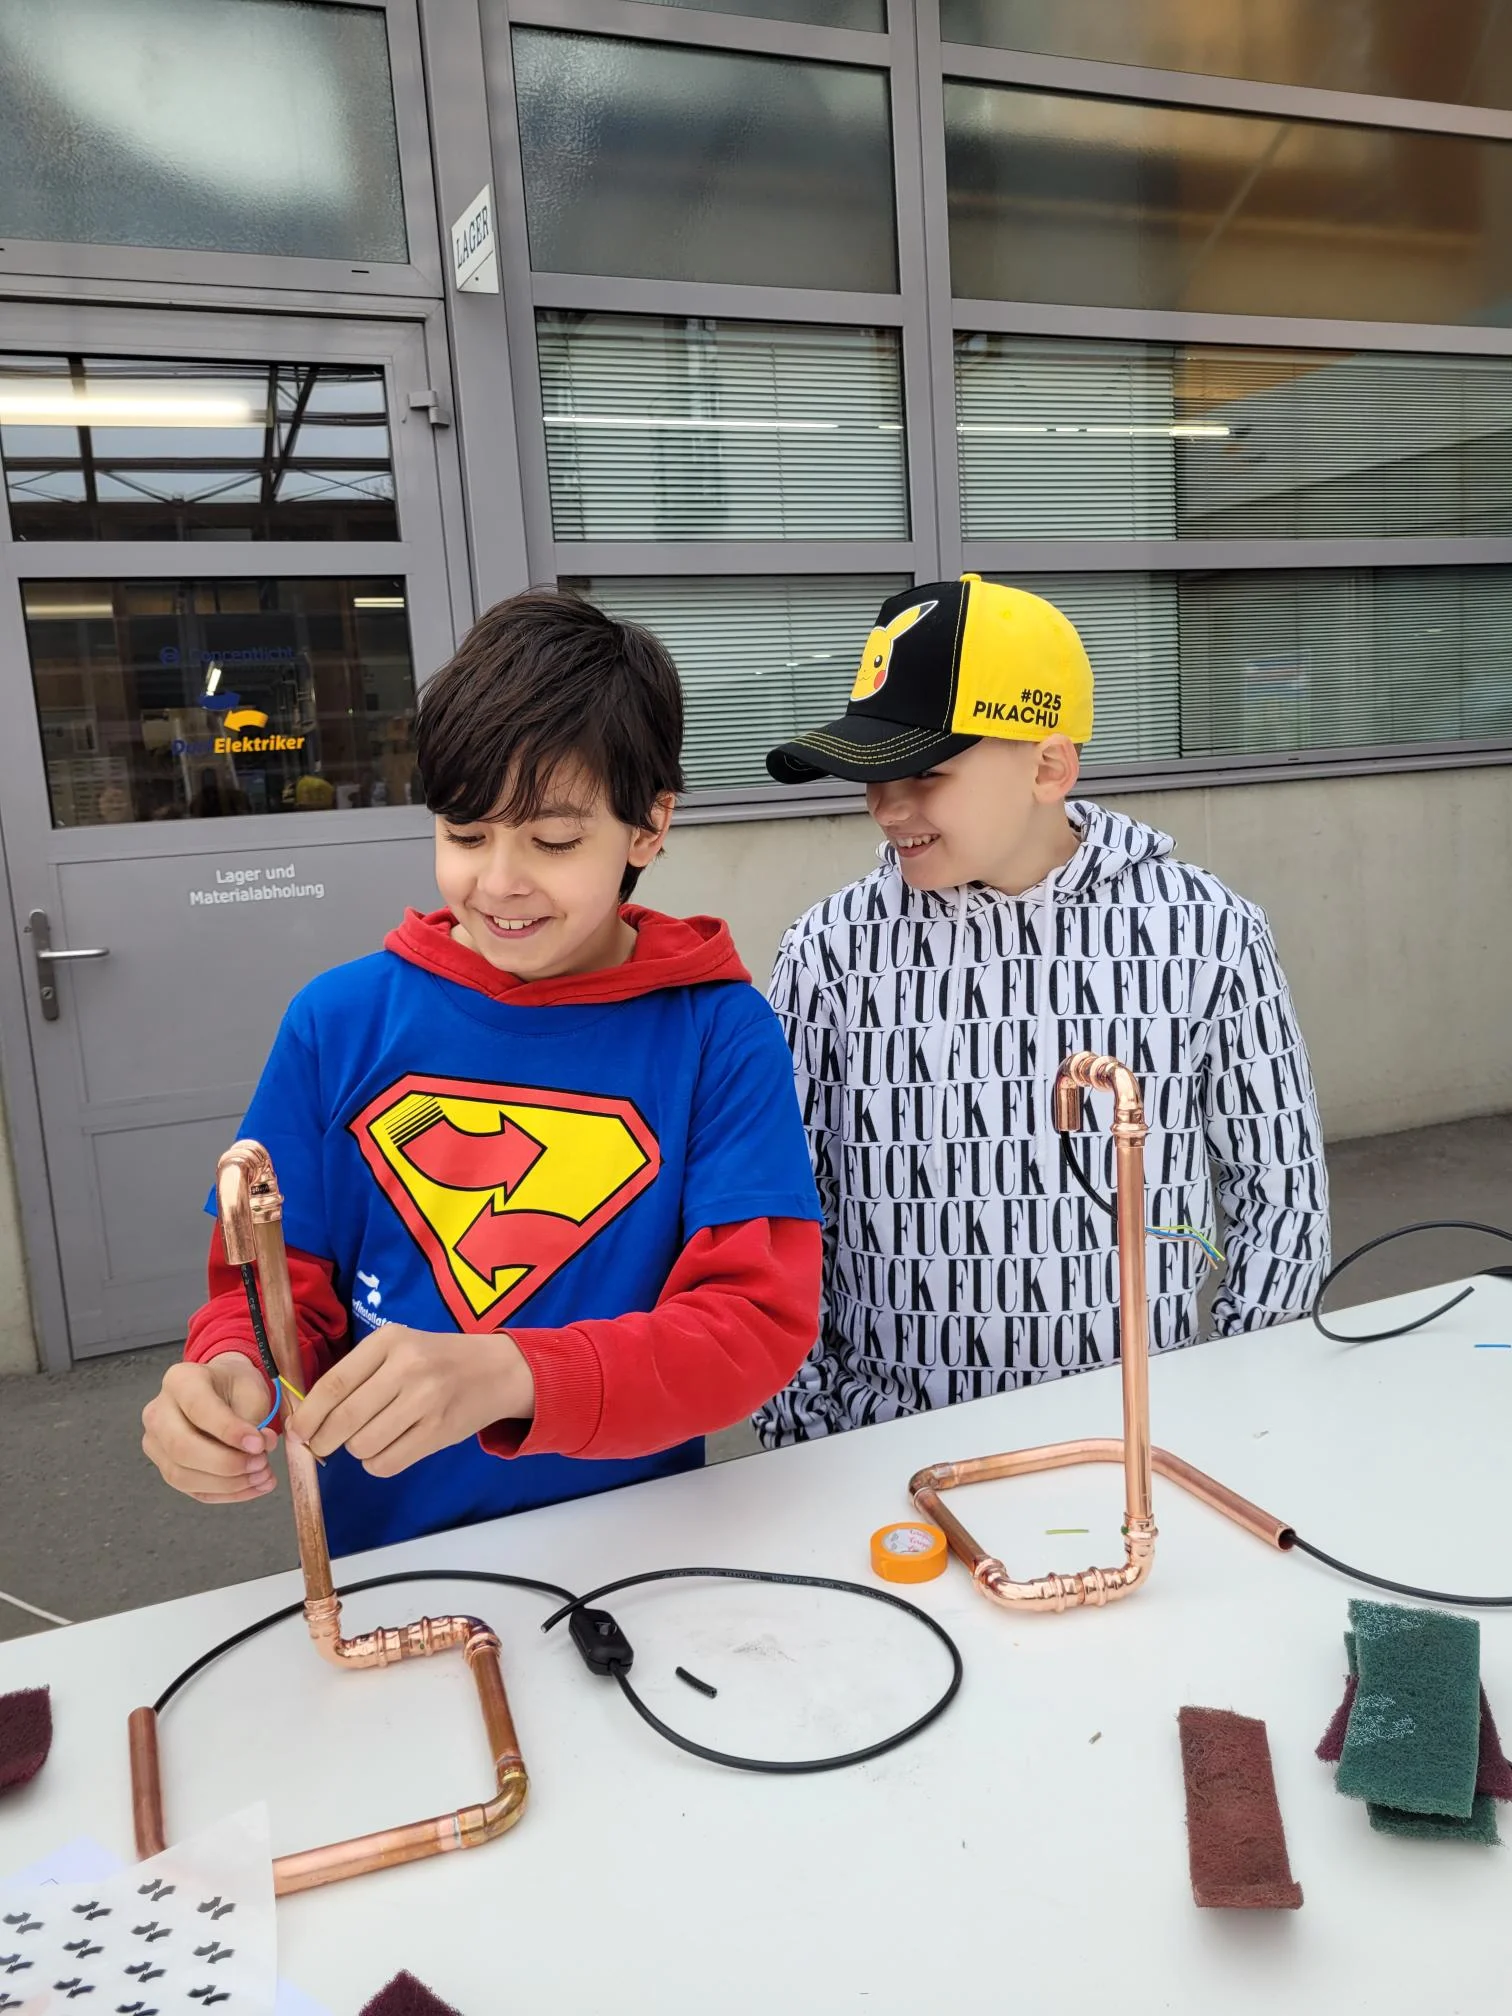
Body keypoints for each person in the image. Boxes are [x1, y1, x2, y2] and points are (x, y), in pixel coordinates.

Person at [142, 590, 823, 1552]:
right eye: (464, 833)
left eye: (553, 841)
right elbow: (273, 1286)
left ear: (648, 826)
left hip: (641, 1544)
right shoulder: (339, 1022)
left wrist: (513, 1375)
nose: (499, 881)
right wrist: (234, 1374)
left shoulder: (717, 1031)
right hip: (392, 1554)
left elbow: (751, 1323)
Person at [755, 574, 1329, 1447]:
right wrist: (808, 1441)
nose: (886, 806)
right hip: (889, 1451)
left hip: (1141, 1439)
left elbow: (1280, 1190)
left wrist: (1242, 1405)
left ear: (1049, 766)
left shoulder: (1208, 933)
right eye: (870, 774)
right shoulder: (829, 953)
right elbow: (778, 1218)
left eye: (925, 772)